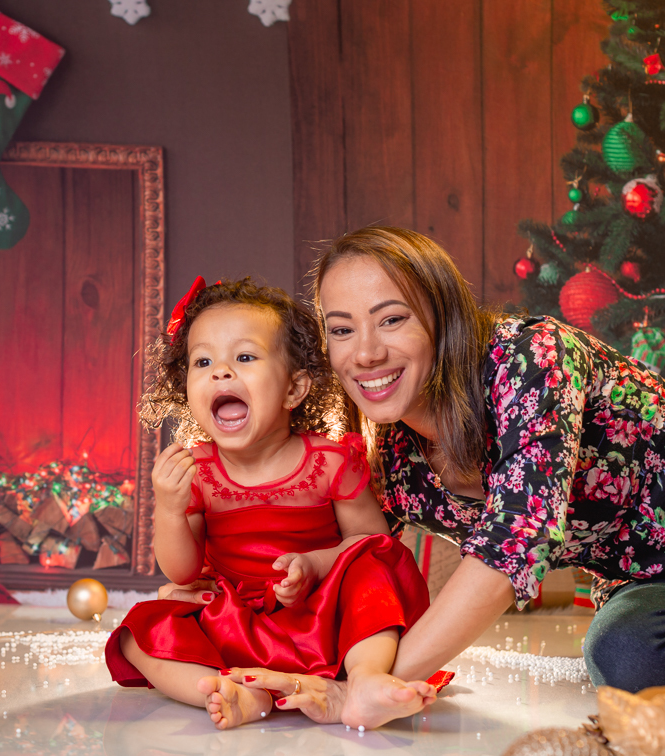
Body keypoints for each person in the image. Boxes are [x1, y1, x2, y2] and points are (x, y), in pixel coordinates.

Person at [168, 226, 665, 724]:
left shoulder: (531, 356)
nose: (365, 353)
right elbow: (351, 561)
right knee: (624, 653)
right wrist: (222, 607)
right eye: (341, 330)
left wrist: (371, 687)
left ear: (443, 320)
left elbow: (514, 543)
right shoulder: (397, 460)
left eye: (392, 319)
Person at [103, 277, 442, 730]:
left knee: (371, 573)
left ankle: (365, 677)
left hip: (322, 615)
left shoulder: (330, 462)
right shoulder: (197, 471)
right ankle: (236, 691)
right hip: (236, 619)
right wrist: (168, 508)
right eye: (203, 361)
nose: (220, 372)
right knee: (139, 631)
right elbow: (181, 573)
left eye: (244, 357)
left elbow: (373, 544)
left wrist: (317, 564)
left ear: (293, 389)